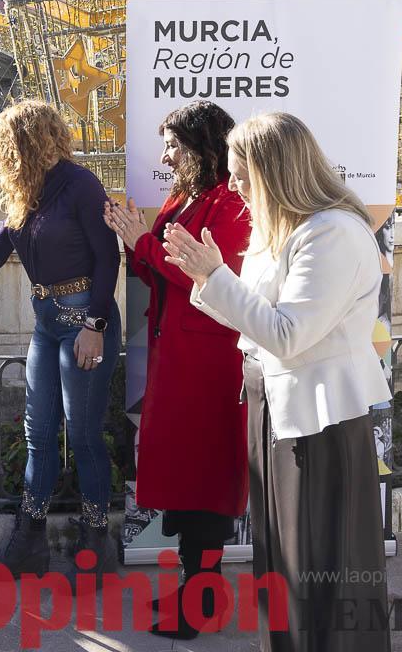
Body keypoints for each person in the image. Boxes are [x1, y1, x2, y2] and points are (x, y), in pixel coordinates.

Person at [164, 111, 392, 651]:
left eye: (243, 175)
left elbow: (288, 334)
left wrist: (214, 277)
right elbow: (252, 321)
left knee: (318, 557)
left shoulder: (331, 233)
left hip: (320, 419)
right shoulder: (283, 232)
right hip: (274, 406)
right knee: (282, 557)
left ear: (276, 171)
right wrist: (210, 279)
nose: (235, 185)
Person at [0, 100, 121, 580]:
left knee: (82, 434)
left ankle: (97, 541)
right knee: (39, 435)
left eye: (8, 145)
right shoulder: (28, 192)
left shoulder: (80, 184)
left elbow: (108, 258)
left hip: (84, 322)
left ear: (24, 143)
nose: (4, 156)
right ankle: (29, 540)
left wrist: (95, 328)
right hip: (47, 324)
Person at [102, 101, 251, 639]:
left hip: (209, 366)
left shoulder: (230, 202)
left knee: (205, 480)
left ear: (198, 147)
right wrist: (135, 241)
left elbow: (211, 274)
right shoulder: (188, 197)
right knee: (188, 480)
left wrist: (143, 240)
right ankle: (195, 587)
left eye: (172, 145)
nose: (164, 156)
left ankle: (202, 600)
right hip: (180, 362)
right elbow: (164, 267)